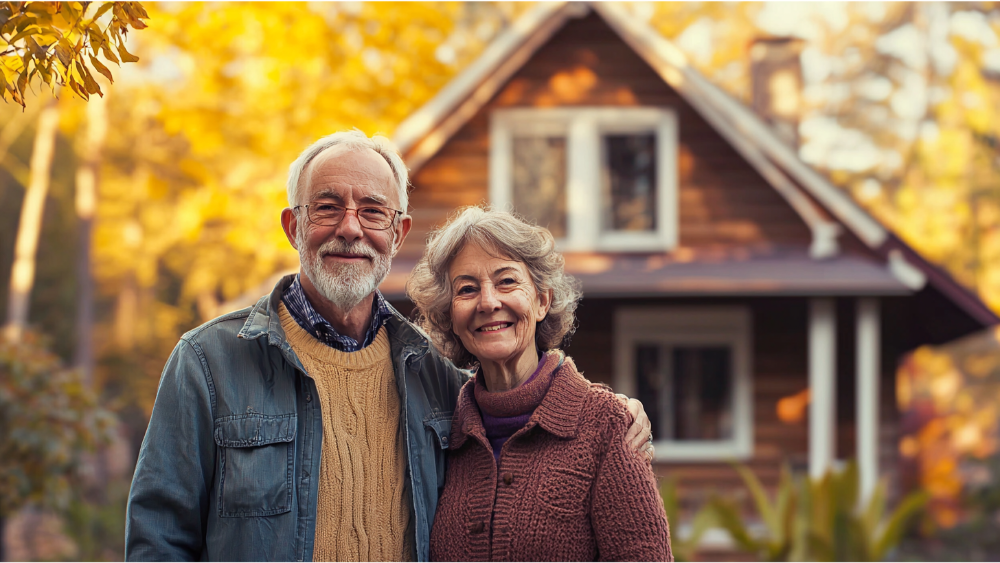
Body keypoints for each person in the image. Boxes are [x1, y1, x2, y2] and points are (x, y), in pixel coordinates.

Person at [124, 130, 653, 562]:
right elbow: (159, 541)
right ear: (293, 226)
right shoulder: (207, 363)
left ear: (398, 233)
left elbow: (519, 387)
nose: (350, 228)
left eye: (373, 211)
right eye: (327, 207)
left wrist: (609, 411)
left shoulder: (434, 376)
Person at [407, 206, 672, 562]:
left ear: (542, 301)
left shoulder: (606, 425)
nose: (488, 302)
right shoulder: (444, 432)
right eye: (467, 289)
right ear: (449, 316)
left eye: (507, 281)